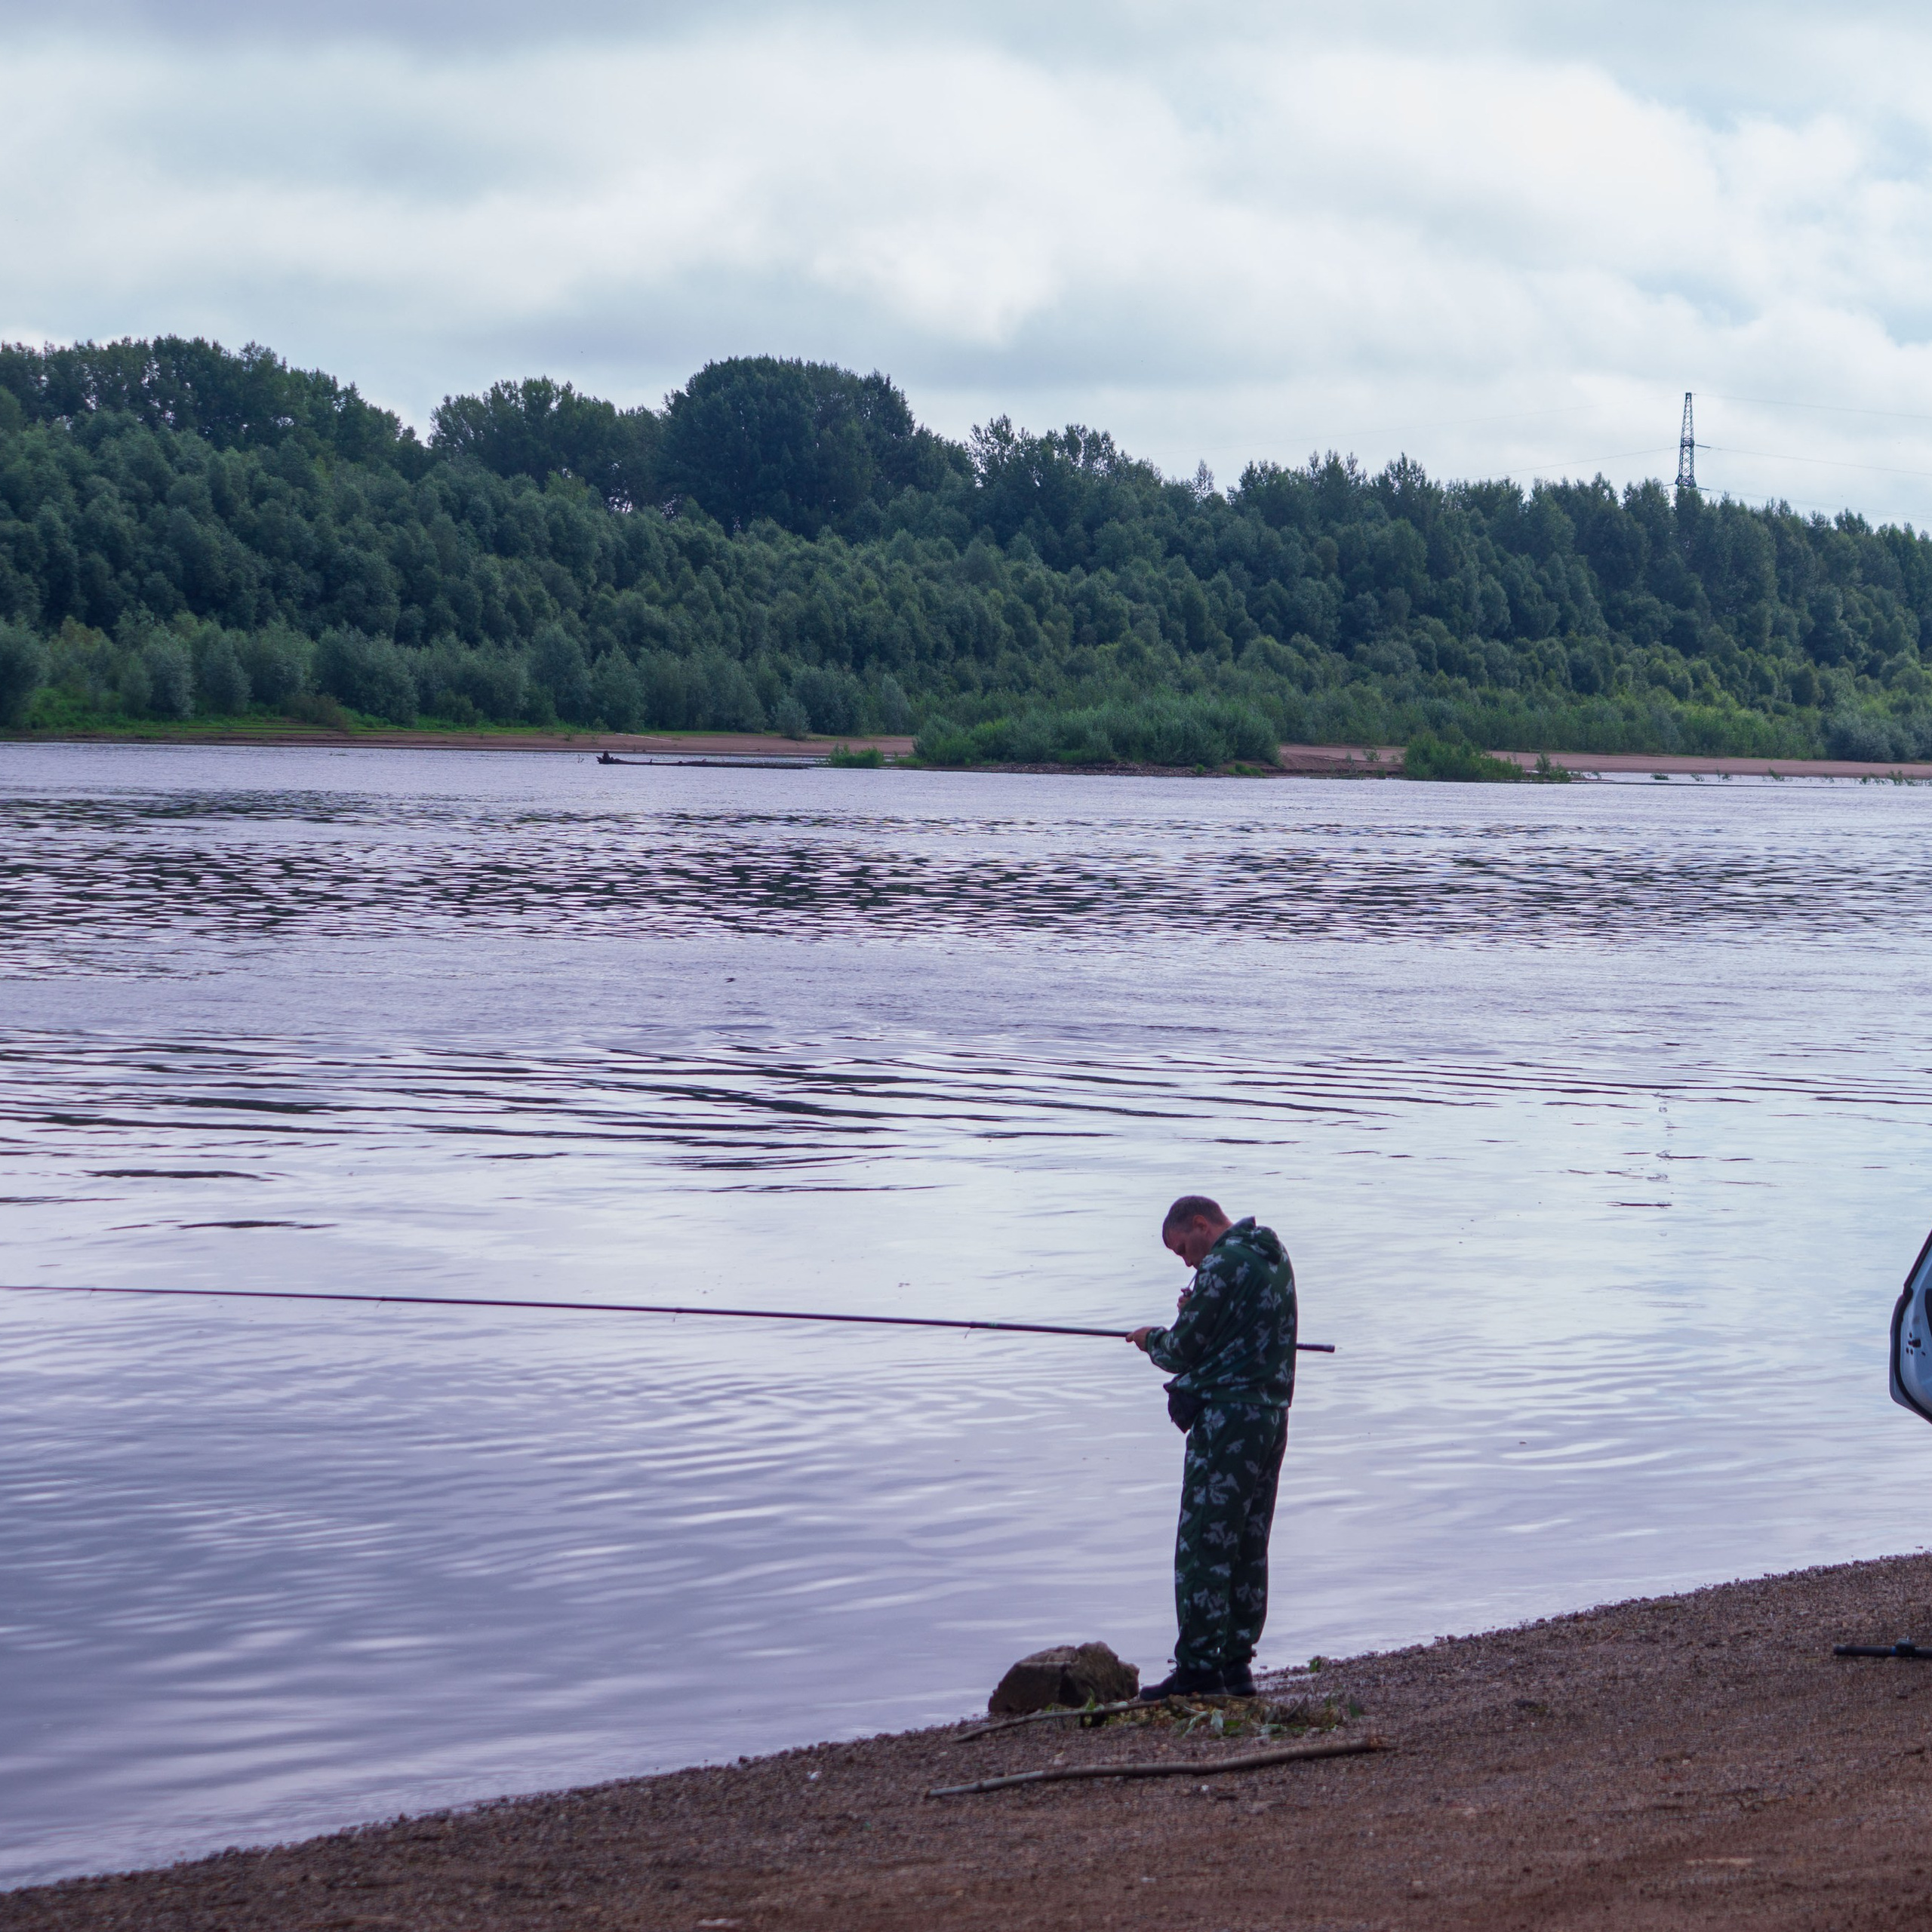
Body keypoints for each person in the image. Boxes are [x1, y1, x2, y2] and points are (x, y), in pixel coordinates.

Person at [1128, 1194, 1297, 1700]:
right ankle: (1235, 1666)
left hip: (1227, 1421)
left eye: (1184, 1249)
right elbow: (1244, 1324)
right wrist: (1198, 1308)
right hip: (1270, 1416)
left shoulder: (1220, 1263)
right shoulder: (1271, 1254)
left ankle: (1199, 1672)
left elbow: (1182, 1350)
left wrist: (1150, 1337)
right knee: (1247, 1543)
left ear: (1201, 1225)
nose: (1187, 1261)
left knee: (1205, 1544)